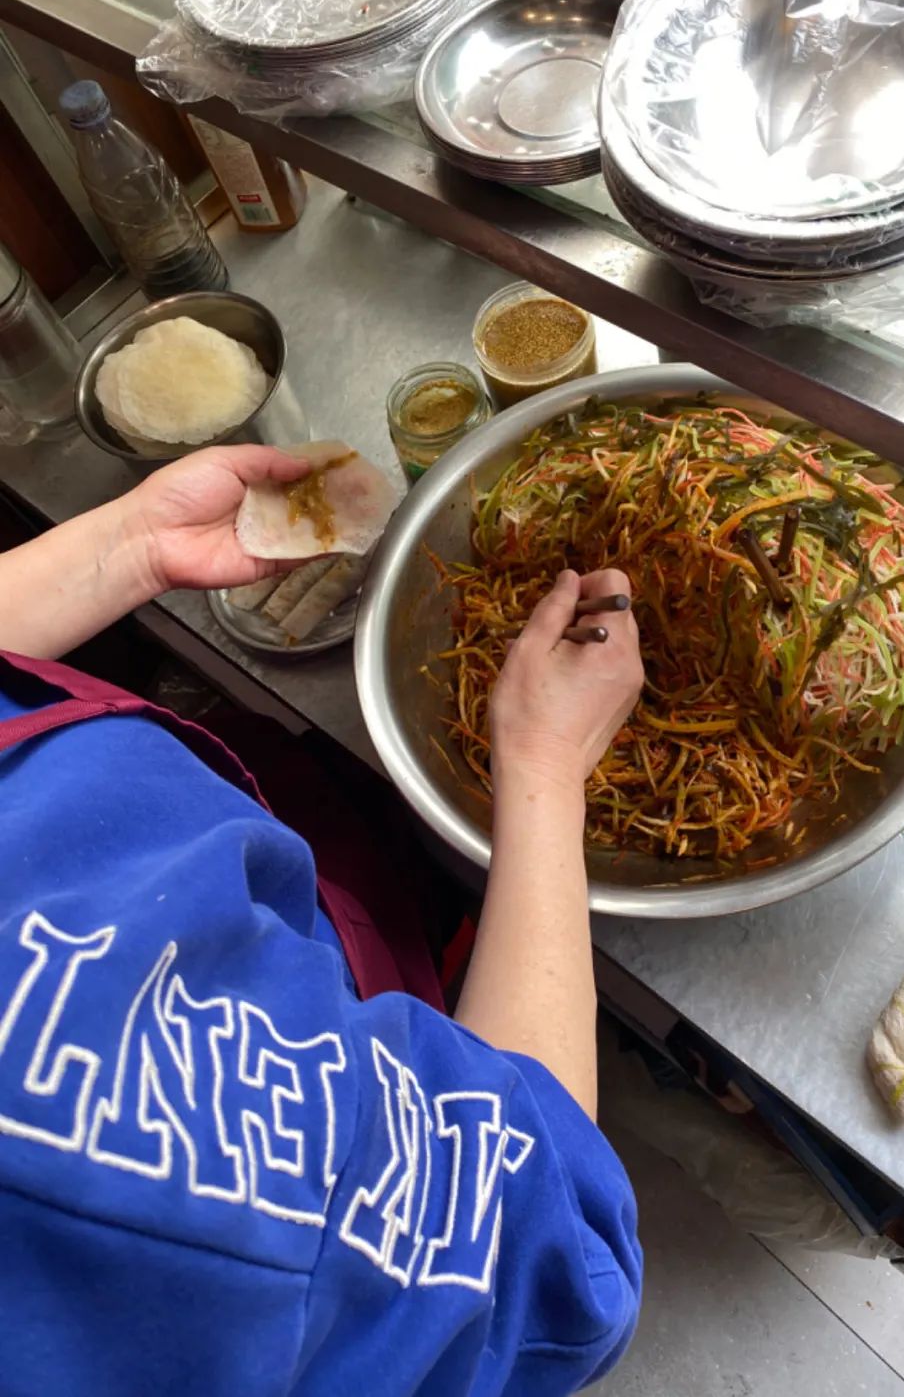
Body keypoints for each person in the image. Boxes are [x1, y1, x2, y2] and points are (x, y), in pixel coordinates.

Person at [0, 445, 645, 1396]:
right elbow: (543, 1243)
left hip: (300, 929)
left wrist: (130, 545)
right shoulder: (88, 1139)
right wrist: (546, 764)